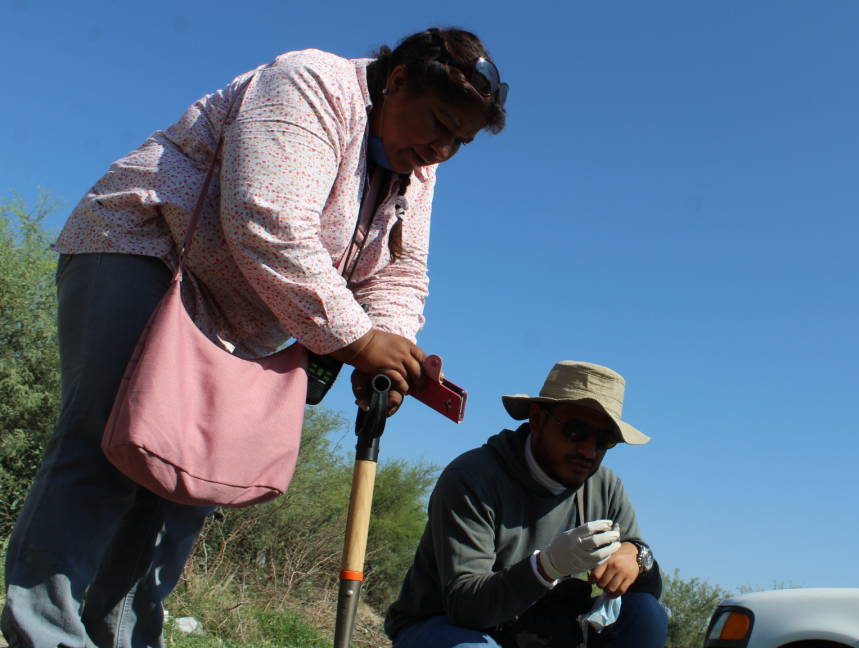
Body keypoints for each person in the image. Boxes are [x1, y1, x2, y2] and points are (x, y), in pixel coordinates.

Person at [2, 28, 508, 648]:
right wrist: (355, 338)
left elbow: (402, 270)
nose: (441, 149)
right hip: (149, 251)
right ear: (398, 79)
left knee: (189, 479)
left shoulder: (416, 168)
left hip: (247, 310)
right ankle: (45, 633)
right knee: (104, 445)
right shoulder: (311, 81)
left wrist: (391, 344)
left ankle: (127, 638)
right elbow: (265, 218)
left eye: (458, 140)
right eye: (438, 123)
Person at [385, 361, 669, 648]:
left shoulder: (604, 487)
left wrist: (638, 555)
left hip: (543, 632)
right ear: (536, 419)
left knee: (646, 614)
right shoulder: (473, 479)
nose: (588, 450)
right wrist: (545, 567)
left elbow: (647, 588)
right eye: (575, 431)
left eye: (604, 440)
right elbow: (466, 607)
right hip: (449, 629)